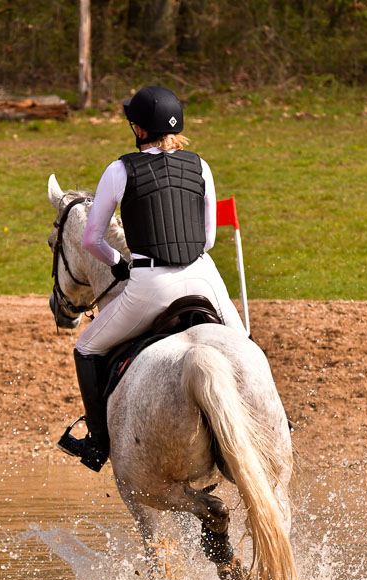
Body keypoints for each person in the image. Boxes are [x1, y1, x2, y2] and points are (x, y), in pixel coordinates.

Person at [59, 85, 248, 472]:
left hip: (150, 286)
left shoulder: (119, 169)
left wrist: (119, 264)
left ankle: (97, 443)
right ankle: (271, 419)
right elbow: (208, 238)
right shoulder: (200, 165)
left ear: (139, 131)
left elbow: (91, 238)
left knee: (86, 349)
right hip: (204, 278)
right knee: (243, 344)